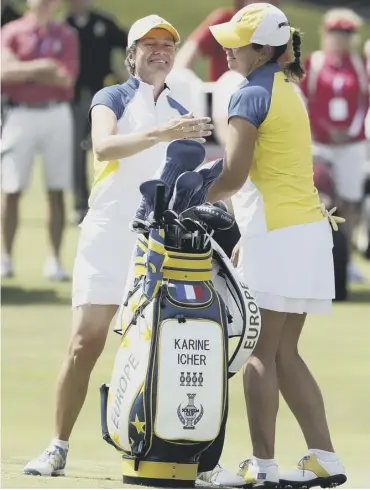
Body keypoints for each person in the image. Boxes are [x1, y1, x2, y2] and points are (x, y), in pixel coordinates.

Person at [23, 14, 214, 477]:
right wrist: (163, 135)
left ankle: (180, 454)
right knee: (83, 344)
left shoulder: (179, 109)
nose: (159, 51)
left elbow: (190, 180)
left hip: (156, 244)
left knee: (163, 349)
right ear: (131, 56)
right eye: (148, 45)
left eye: (167, 45)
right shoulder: (112, 96)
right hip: (107, 235)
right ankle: (58, 446)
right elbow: (104, 147)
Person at [197, 4, 347, 488]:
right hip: (306, 232)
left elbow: (234, 175)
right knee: (285, 352)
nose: (226, 49)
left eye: (235, 42)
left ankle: (262, 466)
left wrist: (192, 194)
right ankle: (324, 457)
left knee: (260, 353)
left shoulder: (249, 94)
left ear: (262, 49)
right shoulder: (285, 85)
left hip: (279, 233)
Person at [1, 0, 79, 280]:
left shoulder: (66, 35)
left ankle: (55, 260)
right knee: (11, 188)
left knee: (56, 190)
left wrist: (22, 69)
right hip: (19, 113)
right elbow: (2, 74)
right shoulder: (11, 31)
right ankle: (6, 257)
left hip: (56, 114)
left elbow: (65, 79)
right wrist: (43, 67)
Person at [300, 8, 369, 283]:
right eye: (335, 34)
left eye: (346, 34)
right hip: (320, 143)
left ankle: (347, 258)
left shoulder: (360, 65)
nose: (341, 40)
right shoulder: (315, 63)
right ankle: (317, 257)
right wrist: (325, 130)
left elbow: (364, 104)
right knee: (320, 199)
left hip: (351, 144)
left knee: (348, 202)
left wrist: (349, 130)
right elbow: (305, 102)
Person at [66, 0, 129, 225]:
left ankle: (107, 199)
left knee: (105, 147)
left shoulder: (104, 23)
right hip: (73, 98)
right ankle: (80, 204)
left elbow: (128, 44)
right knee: (76, 153)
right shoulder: (64, 26)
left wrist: (122, 71)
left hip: (103, 95)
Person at [174, 0, 282, 81]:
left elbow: (286, 79)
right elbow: (186, 56)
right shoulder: (225, 21)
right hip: (220, 101)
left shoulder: (277, 35)